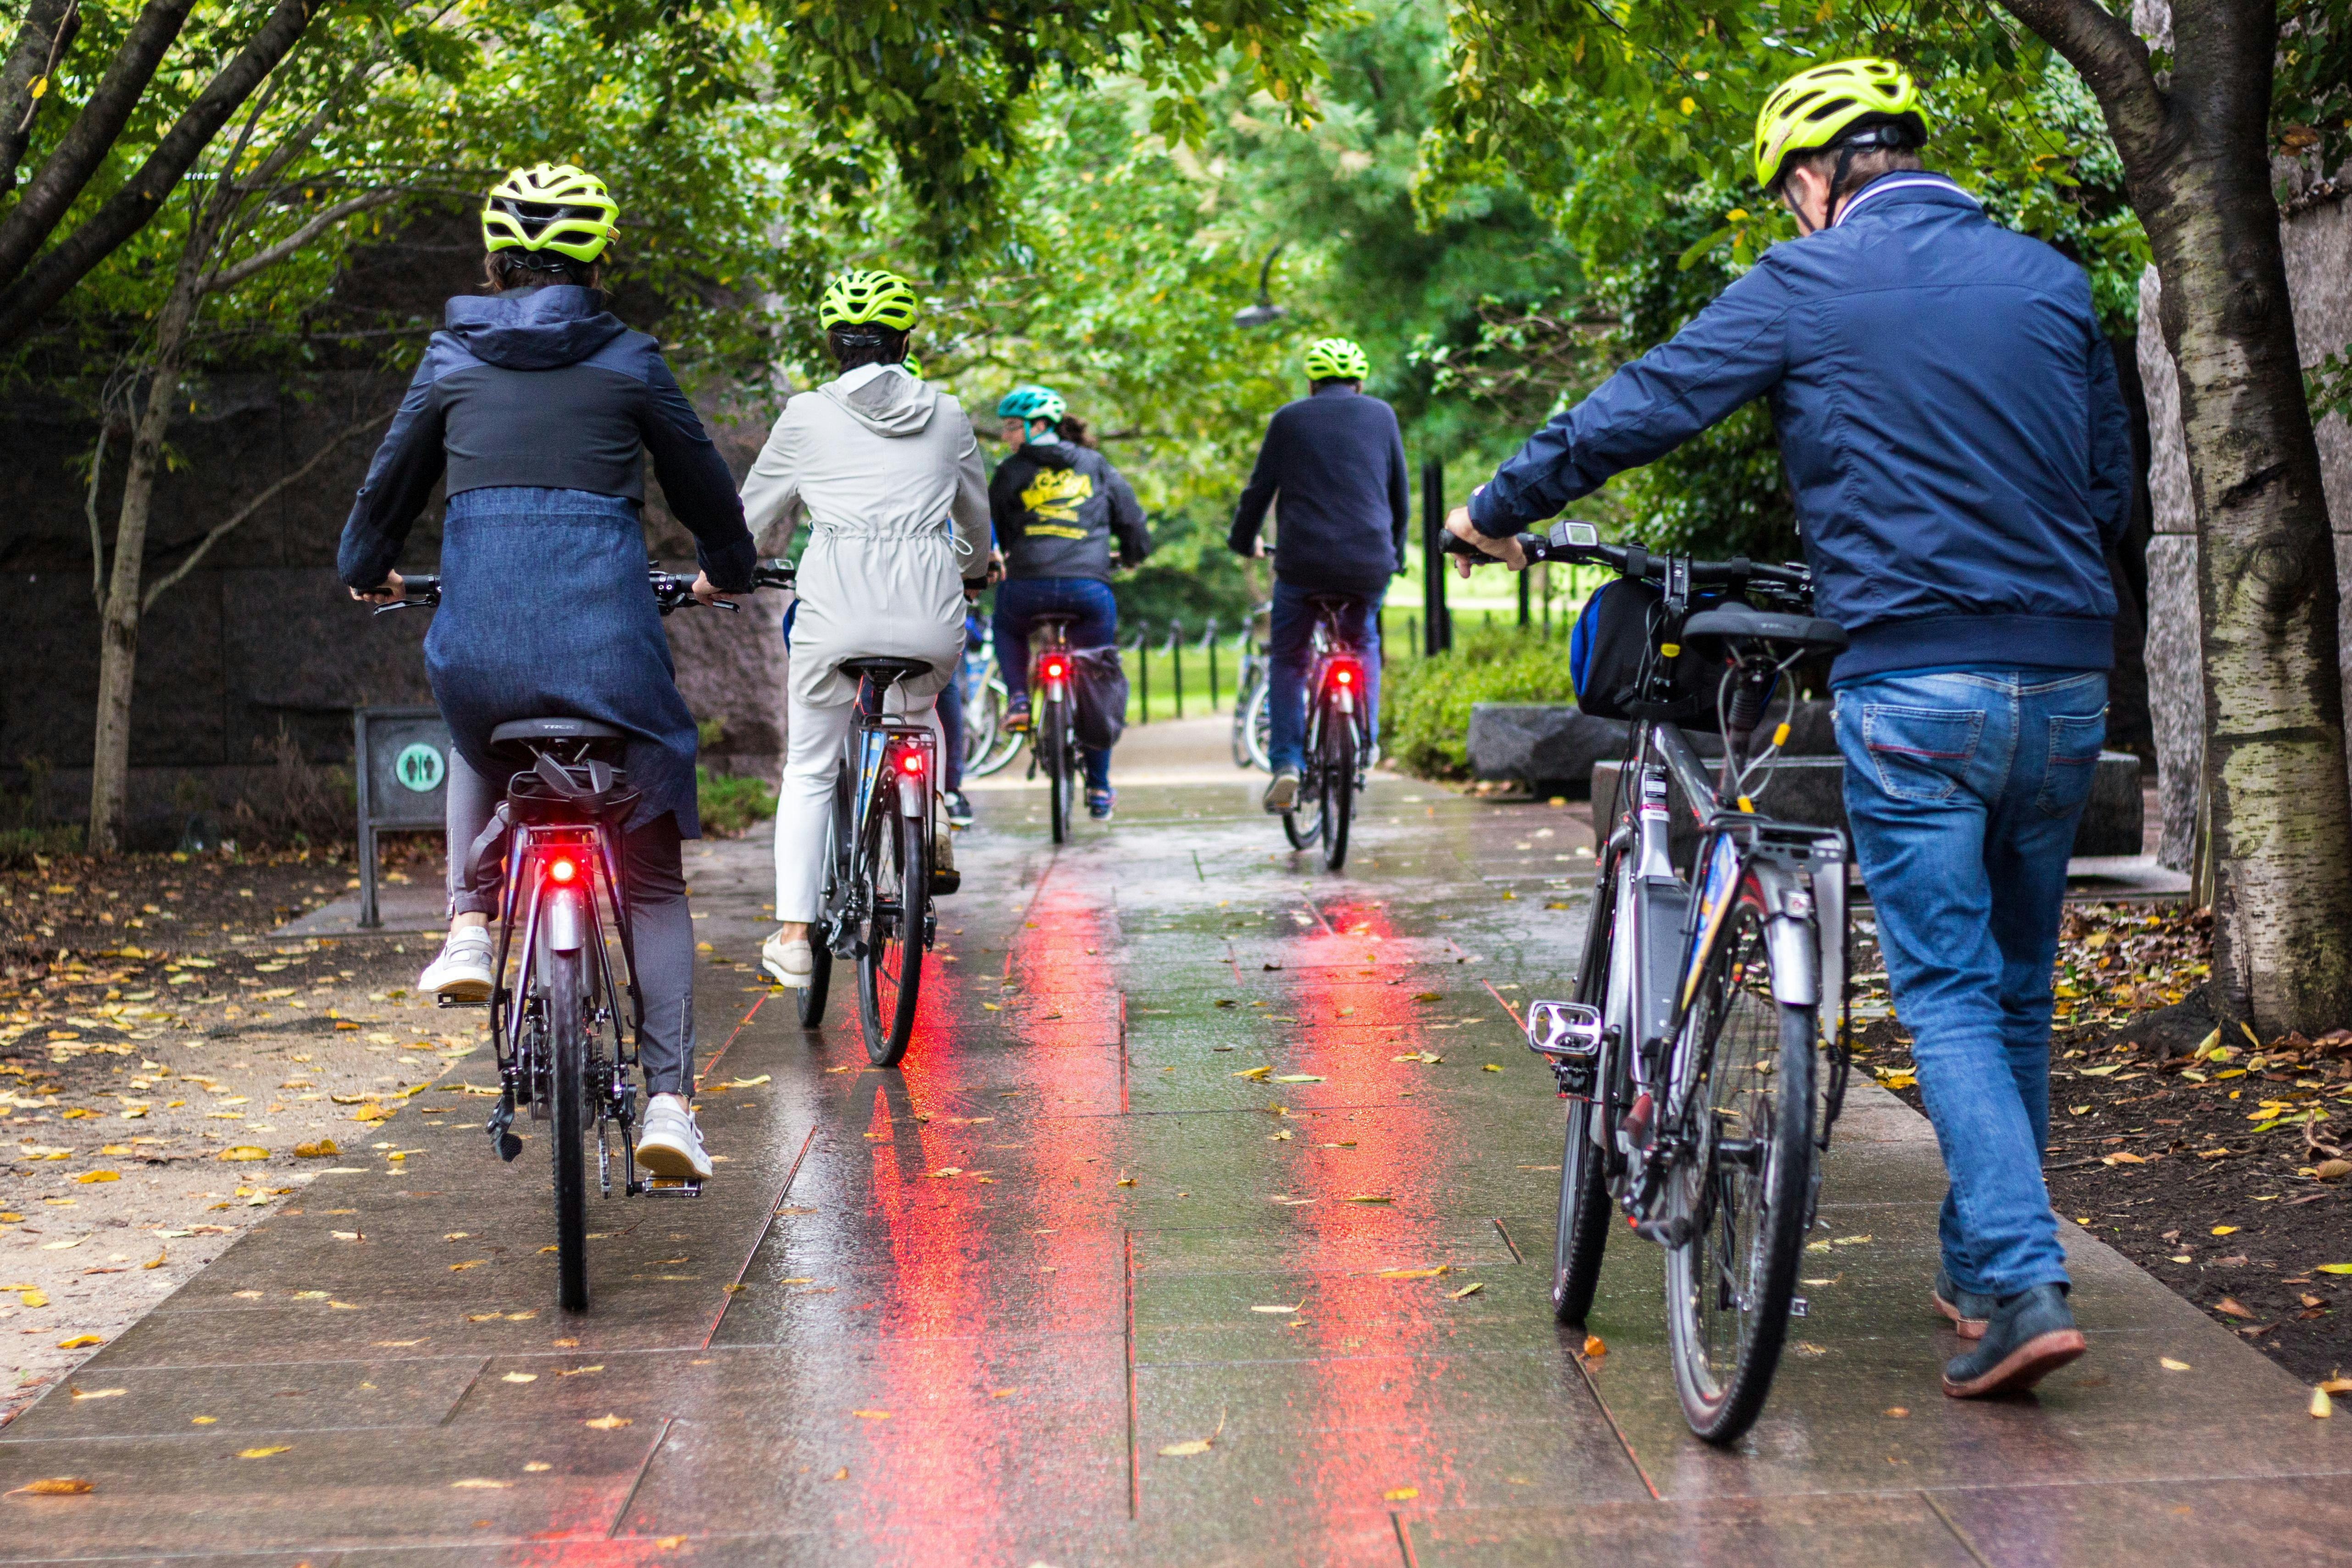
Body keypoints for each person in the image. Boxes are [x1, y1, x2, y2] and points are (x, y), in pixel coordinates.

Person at [1448, 58, 2131, 1399]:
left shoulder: (1805, 282)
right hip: (2061, 677)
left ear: (1816, 177)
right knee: (2014, 985)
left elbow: (1642, 404)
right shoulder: (2048, 281)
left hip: (1913, 681)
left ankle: (2021, 1273)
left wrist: (1494, 504)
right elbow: (2107, 486)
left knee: (1938, 987)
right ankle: (1987, 1270)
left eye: (1788, 193)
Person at [340, 163, 754, 1183]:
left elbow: (382, 492)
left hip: (479, 648)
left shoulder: (450, 360)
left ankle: (471, 922)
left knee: (477, 722)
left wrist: (367, 569)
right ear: (599, 261)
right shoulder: (629, 362)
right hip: (613, 658)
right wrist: (724, 574)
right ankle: (668, 1100)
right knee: (651, 877)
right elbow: (706, 491)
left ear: (494, 260)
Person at [742, 271, 990, 988]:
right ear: (905, 342)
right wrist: (974, 569)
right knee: (917, 710)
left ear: (832, 345)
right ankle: (929, 813)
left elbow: (751, 516)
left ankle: (793, 934)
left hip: (834, 613)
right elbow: (973, 520)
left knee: (813, 766)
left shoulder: (807, 415)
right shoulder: (948, 414)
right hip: (930, 613)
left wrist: (718, 571)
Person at [1227, 337, 1409, 813]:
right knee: (1361, 638)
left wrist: (1241, 540)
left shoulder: (1288, 419)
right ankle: (1365, 741)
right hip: (1368, 560)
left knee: (1288, 659)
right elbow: (1399, 495)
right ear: (1359, 382)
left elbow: (1259, 490)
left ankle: (1286, 761)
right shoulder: (1382, 415)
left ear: (1311, 383)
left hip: (1302, 563)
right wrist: (1396, 553)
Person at [989, 385, 1152, 820]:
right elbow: (1132, 519)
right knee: (1095, 681)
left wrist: (1006, 556)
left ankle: (1020, 700)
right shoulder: (1096, 465)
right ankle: (1099, 789)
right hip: (1089, 590)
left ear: (1037, 425)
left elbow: (996, 530)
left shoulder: (1009, 471)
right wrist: (1132, 556)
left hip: (1027, 587)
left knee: (1005, 626)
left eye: (1011, 427)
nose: (1007, 437)